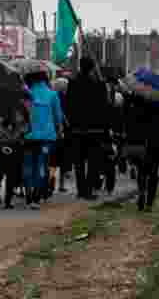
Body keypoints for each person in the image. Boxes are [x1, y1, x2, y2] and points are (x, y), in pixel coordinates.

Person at [66, 57, 111, 201]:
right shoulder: (99, 85)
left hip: (77, 129)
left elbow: (68, 106)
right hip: (95, 130)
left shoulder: (72, 84)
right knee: (93, 162)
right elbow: (105, 108)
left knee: (78, 162)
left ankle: (81, 190)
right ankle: (88, 189)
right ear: (92, 68)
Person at [22, 71, 64, 210]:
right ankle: (36, 195)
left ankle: (28, 195)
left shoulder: (26, 95)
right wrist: (59, 133)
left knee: (28, 166)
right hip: (46, 137)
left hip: (28, 137)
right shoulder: (53, 95)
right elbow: (58, 117)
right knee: (42, 165)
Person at [122, 92, 159, 212]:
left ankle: (142, 191)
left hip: (139, 140)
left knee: (141, 170)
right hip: (155, 141)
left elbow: (128, 119)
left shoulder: (135, 99)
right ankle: (149, 204)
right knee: (153, 173)